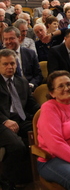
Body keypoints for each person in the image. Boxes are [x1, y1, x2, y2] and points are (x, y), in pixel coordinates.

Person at [0, 49, 40, 188]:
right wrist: (5, 121)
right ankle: (6, 182)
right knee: (17, 146)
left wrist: (44, 112)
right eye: (5, 64)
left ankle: (35, 177)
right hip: (1, 121)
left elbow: (31, 104)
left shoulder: (21, 81)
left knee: (42, 133)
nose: (10, 67)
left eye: (12, 63)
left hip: (20, 119)